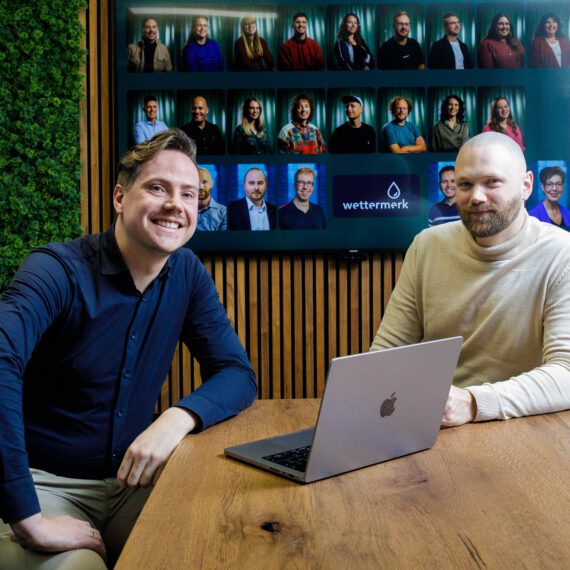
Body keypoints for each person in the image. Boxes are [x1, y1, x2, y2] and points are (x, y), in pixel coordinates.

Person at [0, 129, 256, 568]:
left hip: (134, 484)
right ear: (120, 198)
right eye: (157, 188)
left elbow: (237, 373)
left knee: (226, 545)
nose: (175, 205)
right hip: (43, 485)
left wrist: (176, 419)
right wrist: (28, 518)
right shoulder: (55, 270)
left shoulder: (187, 272)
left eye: (188, 194)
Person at [371, 132, 570, 427]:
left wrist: (473, 403)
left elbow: (566, 373)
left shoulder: (562, 254)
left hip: (527, 428)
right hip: (438, 425)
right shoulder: (427, 245)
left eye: (492, 182)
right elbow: (386, 355)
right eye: (465, 184)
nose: (476, 197)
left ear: (526, 185)